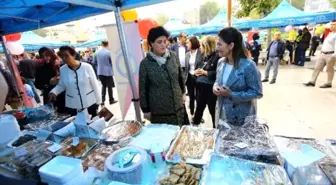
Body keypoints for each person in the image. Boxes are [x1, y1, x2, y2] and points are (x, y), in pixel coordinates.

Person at [213, 27, 263, 127]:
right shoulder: (221, 63)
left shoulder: (248, 66)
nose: (216, 48)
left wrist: (232, 94)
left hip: (242, 120)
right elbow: (217, 81)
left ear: (231, 45)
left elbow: (257, 93)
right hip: (222, 115)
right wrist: (215, 87)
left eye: (219, 44)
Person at [139, 26, 187, 126]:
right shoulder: (145, 63)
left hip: (178, 107)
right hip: (160, 111)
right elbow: (143, 89)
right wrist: (145, 109)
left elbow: (180, 77)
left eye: (165, 41)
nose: (163, 45)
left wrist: (183, 92)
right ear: (151, 43)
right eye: (159, 42)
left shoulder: (173, 56)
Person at [49, 46, 101, 118]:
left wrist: (99, 102)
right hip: (73, 105)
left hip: (90, 103)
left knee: (93, 125)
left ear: (73, 55)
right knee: (79, 126)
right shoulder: (63, 69)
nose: (64, 58)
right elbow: (62, 85)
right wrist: (54, 92)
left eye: (66, 56)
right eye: (62, 56)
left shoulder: (87, 67)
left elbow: (95, 85)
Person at [193, 36, 220, 127]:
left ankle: (216, 129)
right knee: (199, 109)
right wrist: (197, 71)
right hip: (201, 87)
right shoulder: (204, 56)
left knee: (213, 111)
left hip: (211, 89)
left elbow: (218, 73)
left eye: (202, 45)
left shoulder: (218, 57)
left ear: (207, 46)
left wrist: (205, 72)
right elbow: (202, 67)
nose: (200, 47)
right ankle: (194, 126)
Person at [34, 47, 67, 113]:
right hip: (49, 97)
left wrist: (60, 80)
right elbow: (37, 84)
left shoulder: (61, 66)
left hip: (64, 96)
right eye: (43, 56)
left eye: (47, 55)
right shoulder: (40, 69)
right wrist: (48, 83)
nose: (46, 58)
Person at [304, 21, 336, 88]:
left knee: (329, 69)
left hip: (331, 54)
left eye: (334, 25)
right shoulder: (330, 34)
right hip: (323, 53)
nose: (332, 26)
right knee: (317, 67)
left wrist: (334, 55)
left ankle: (329, 83)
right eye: (331, 25)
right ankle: (312, 81)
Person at [184, 36, 203, 116]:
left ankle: (198, 115)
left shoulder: (201, 53)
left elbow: (202, 66)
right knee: (191, 97)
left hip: (198, 77)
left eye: (188, 42)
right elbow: (186, 68)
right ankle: (192, 114)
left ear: (193, 43)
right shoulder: (187, 54)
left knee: (199, 97)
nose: (186, 44)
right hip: (189, 77)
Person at [94, 41, 117, 105]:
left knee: (103, 86)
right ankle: (111, 100)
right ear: (108, 44)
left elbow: (94, 62)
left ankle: (102, 100)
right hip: (108, 72)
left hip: (100, 72)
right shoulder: (109, 53)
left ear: (102, 44)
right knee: (109, 86)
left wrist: (98, 68)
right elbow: (112, 62)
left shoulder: (96, 52)